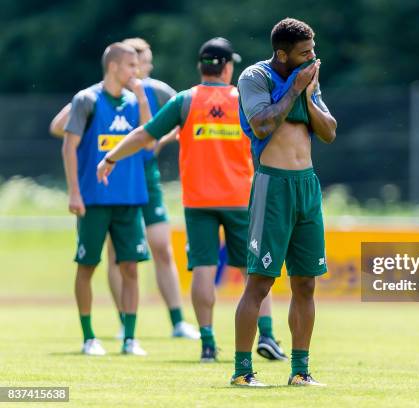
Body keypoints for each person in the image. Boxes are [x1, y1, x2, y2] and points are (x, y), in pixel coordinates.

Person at [95, 37, 286, 363]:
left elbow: (145, 135)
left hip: (198, 201)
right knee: (253, 271)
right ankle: (266, 335)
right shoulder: (244, 99)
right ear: (227, 67)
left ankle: (208, 343)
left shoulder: (186, 101)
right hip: (241, 199)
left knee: (203, 270)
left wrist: (111, 156)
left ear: (201, 67)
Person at [50, 38, 199, 340]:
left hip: (142, 180)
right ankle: (122, 324)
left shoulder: (154, 91)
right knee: (114, 256)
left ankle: (176, 322)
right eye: (139, 63)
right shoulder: (93, 96)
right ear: (119, 65)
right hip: (106, 184)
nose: (144, 68)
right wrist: (86, 137)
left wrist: (162, 138)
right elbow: (60, 128)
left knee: (158, 247)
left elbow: (169, 127)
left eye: (142, 64)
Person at [231, 18, 337, 387]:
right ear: (282, 54)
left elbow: (329, 132)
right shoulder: (254, 78)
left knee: (305, 283)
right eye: (304, 52)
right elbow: (261, 124)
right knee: (259, 283)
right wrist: (294, 90)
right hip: (272, 186)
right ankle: (243, 372)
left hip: (307, 186)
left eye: (313, 50)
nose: (312, 57)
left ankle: (300, 371)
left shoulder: (308, 78)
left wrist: (308, 95)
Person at [62, 42, 152, 356]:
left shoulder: (133, 101)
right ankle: (89, 337)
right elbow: (68, 146)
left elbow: (147, 141)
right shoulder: (87, 100)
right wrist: (74, 191)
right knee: (87, 266)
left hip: (129, 199)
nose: (136, 71)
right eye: (131, 65)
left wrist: (141, 98)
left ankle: (130, 338)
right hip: (93, 200)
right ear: (114, 66)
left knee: (130, 268)